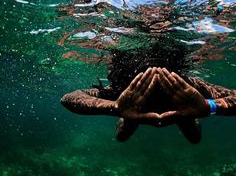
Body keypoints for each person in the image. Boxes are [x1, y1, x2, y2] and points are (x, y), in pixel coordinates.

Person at [60, 42, 236, 144]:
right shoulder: (128, 90)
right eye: (148, 83)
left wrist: (208, 106)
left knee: (194, 137)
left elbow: (69, 97)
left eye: (162, 82)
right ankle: (129, 115)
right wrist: (114, 107)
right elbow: (69, 98)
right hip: (135, 110)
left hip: (182, 109)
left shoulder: (186, 87)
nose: (155, 87)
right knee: (122, 136)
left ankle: (185, 114)